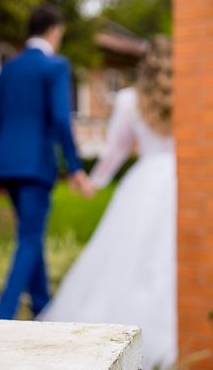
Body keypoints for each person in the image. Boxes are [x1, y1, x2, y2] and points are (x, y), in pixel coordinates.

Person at [38, 39, 176, 370]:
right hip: (186, 179)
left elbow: (115, 150)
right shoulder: (193, 95)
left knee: (128, 257)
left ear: (144, 64)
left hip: (145, 182)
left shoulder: (130, 100)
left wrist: (93, 182)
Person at [0, 4, 91, 320]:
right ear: (54, 30)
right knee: (30, 237)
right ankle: (1, 316)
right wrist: (74, 166)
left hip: (8, 165)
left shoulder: (8, 68)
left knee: (31, 233)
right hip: (35, 166)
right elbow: (61, 118)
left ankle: (43, 307)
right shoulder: (55, 66)